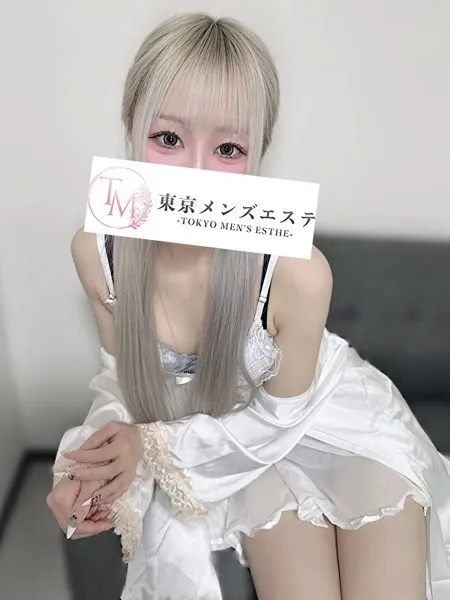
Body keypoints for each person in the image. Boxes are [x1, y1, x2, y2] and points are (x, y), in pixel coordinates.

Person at [46, 12, 450, 600]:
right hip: (224, 441)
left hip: (330, 427)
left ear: (259, 151)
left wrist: (151, 446)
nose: (195, 173)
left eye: (228, 148)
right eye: (168, 139)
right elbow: (123, 379)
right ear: (130, 125)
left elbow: (279, 420)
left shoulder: (298, 274)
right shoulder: (96, 250)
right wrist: (92, 463)